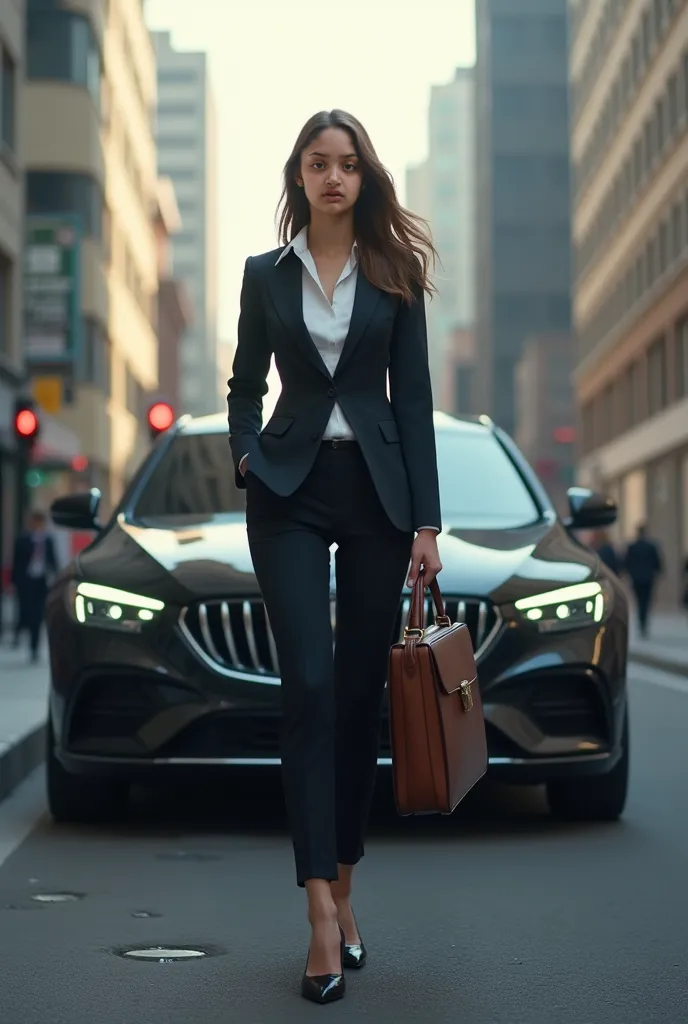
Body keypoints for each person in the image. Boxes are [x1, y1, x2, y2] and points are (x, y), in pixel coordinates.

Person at [227, 109, 442, 1004]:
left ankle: (346, 886)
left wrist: (426, 524)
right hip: (287, 493)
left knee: (358, 700)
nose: (333, 178)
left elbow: (417, 403)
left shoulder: (395, 275)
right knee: (307, 689)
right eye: (319, 164)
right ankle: (319, 910)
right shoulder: (263, 276)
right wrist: (247, 452)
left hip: (377, 500)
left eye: (347, 165)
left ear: (364, 178)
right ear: (299, 176)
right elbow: (244, 383)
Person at [11, 510, 58, 662]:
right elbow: (16, 563)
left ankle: (34, 647)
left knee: (37, 615)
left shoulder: (48, 540)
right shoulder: (22, 540)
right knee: (24, 612)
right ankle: (18, 633)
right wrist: (13, 583)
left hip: (41, 583)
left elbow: (53, 561)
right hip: (25, 583)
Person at [623, 523, 663, 638]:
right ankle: (643, 622)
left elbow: (626, 563)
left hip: (636, 578)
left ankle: (642, 622)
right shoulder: (651, 546)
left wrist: (628, 573)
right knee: (646, 600)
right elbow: (657, 562)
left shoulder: (633, 547)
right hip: (648, 578)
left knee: (640, 600)